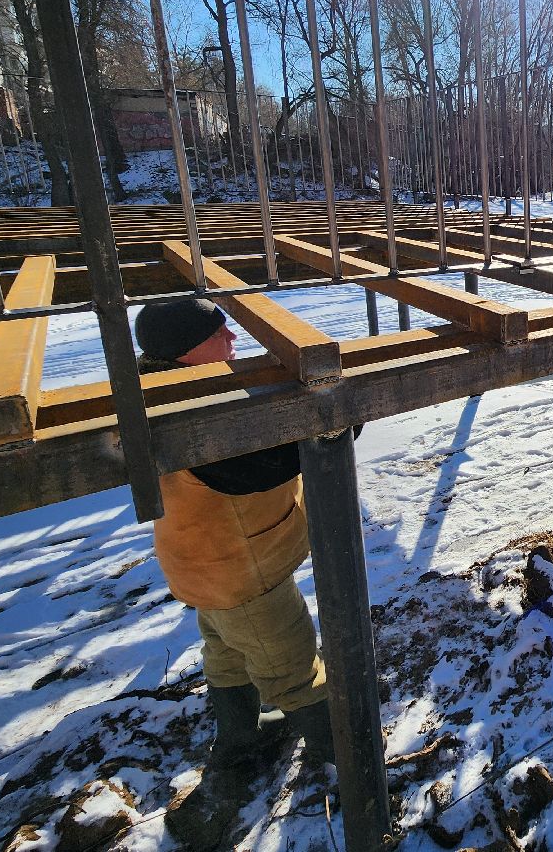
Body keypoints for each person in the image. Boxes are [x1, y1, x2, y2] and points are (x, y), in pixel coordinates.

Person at [133, 299, 334, 789]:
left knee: (225, 652)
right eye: (219, 334)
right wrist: (328, 420)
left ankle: (240, 742)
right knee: (289, 663)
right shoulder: (191, 410)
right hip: (242, 568)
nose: (233, 340)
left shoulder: (162, 385)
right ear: (187, 350)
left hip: (201, 564)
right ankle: (345, 746)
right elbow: (263, 467)